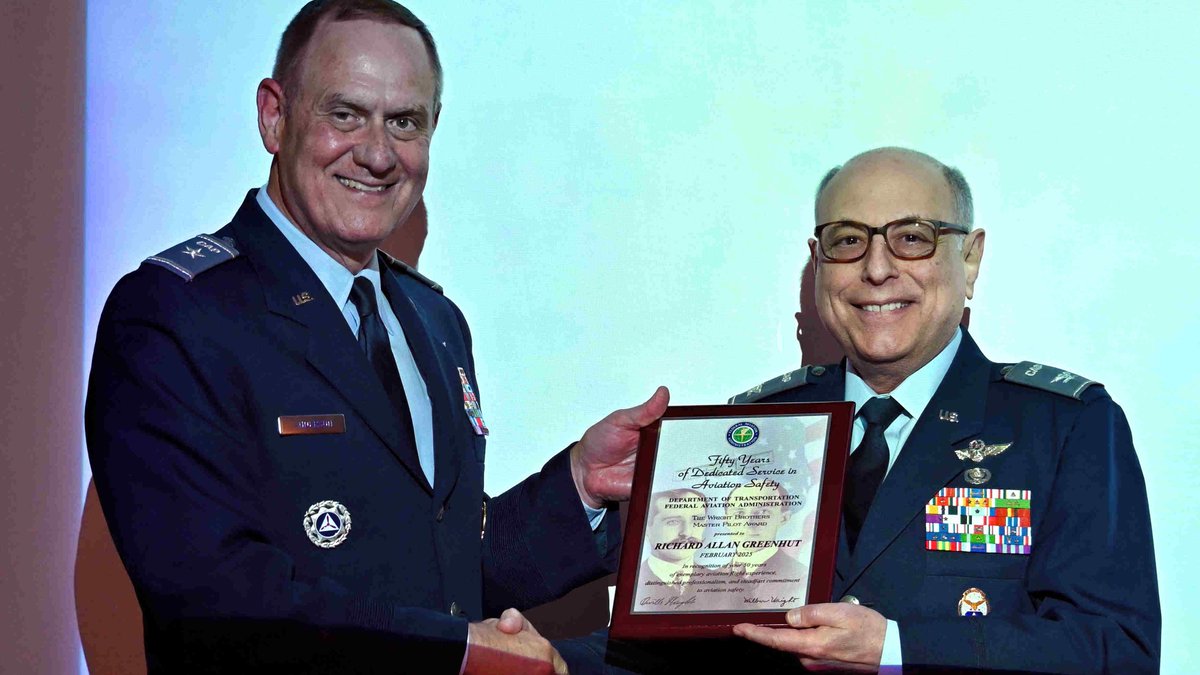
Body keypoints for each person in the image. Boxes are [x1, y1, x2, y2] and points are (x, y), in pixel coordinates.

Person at [84, 2, 667, 673]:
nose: (378, 153)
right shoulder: (174, 315)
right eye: (345, 114)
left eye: (405, 122)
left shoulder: (433, 322)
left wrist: (579, 487)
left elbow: (443, 574)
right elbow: (214, 597)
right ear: (274, 115)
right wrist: (457, 653)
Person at [728, 147, 1160, 672]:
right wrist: (593, 497)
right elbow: (664, 634)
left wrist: (897, 650)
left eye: (912, 237)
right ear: (819, 263)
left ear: (971, 258)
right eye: (848, 240)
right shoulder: (756, 428)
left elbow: (1114, 651)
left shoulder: (1064, 426)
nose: (878, 269)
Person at [635, 489, 707, 605]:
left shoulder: (727, 585)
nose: (686, 532)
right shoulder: (632, 585)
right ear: (647, 528)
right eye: (673, 522)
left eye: (696, 521)